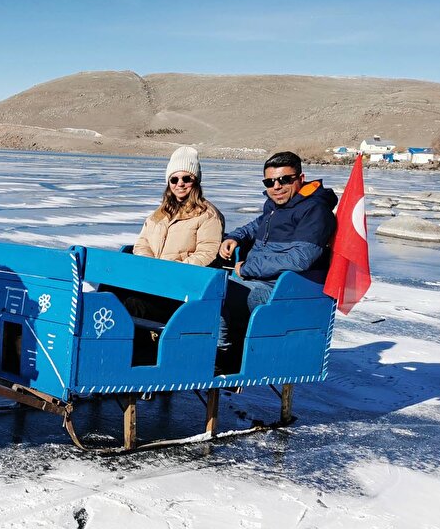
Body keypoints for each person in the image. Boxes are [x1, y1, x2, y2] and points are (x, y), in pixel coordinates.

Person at [217, 150, 337, 365]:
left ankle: (225, 357)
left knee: (218, 295)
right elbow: (258, 225)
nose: (276, 187)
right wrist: (235, 236)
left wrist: (248, 268)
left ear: (300, 178)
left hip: (282, 290)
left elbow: (300, 259)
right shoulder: (276, 206)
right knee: (204, 288)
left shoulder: (315, 211)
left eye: (284, 180)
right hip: (258, 280)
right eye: (270, 182)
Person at [115, 146, 224, 324]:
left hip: (182, 292)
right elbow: (142, 243)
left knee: (131, 305)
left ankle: (131, 349)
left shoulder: (208, 215)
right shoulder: (159, 214)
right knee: (109, 294)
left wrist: (173, 270)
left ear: (195, 181)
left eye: (186, 178)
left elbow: (207, 252)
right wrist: (150, 264)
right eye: (174, 179)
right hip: (152, 283)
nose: (179, 184)